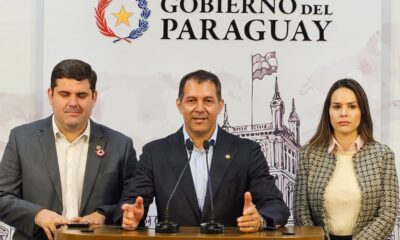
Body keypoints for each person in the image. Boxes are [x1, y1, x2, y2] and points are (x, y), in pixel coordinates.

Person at [120, 70, 290, 232]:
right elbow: (131, 203)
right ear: (179, 105)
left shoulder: (247, 151)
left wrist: (260, 219)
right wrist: (130, 216)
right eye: (191, 100)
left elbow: (275, 206)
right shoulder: (155, 153)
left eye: (208, 101)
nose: (199, 108)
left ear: (220, 105)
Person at [0, 59, 137, 240]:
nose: (73, 103)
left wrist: (103, 214)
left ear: (94, 97)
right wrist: (37, 214)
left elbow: (132, 202)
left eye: (81, 95)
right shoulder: (22, 139)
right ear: (50, 95)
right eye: (64, 94)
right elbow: (2, 197)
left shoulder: (120, 145)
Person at [294, 79, 399, 239]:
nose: (344, 113)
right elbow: (301, 211)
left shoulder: (382, 155)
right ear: (328, 112)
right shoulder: (308, 155)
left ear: (362, 111)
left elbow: (388, 213)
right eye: (337, 107)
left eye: (352, 106)